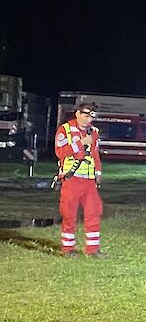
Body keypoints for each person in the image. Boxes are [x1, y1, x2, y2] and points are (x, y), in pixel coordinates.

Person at [54, 101, 103, 256]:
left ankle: (93, 250)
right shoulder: (65, 130)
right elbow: (60, 152)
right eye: (85, 115)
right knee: (69, 214)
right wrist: (80, 144)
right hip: (71, 179)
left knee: (94, 212)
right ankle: (68, 249)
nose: (88, 119)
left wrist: (98, 173)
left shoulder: (94, 132)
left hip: (89, 181)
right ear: (77, 113)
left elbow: (95, 154)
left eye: (91, 116)